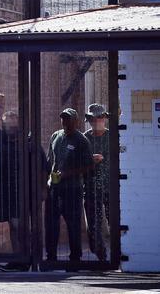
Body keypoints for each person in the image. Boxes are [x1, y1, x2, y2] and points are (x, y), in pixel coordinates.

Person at [0, 94, 48, 272]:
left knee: (23, 226)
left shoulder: (30, 142)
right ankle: (18, 258)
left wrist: (43, 189)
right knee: (13, 225)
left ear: (19, 125)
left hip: (27, 191)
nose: (8, 126)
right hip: (7, 191)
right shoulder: (0, 139)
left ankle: (30, 259)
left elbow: (43, 167)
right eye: (6, 123)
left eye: (12, 123)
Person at [45, 108, 93, 263]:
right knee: (51, 224)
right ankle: (51, 257)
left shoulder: (81, 140)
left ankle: (75, 258)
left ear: (76, 121)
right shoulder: (55, 136)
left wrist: (68, 173)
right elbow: (50, 160)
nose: (65, 122)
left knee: (73, 224)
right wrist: (48, 180)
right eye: (63, 119)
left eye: (69, 119)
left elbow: (88, 165)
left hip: (72, 189)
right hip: (55, 187)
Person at [84, 103, 111, 261]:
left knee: (115, 220)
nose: (96, 121)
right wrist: (90, 160)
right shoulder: (85, 138)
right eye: (93, 118)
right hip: (91, 186)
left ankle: (119, 253)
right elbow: (78, 160)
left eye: (99, 117)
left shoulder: (113, 136)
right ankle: (100, 255)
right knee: (94, 223)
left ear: (104, 119)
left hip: (110, 187)